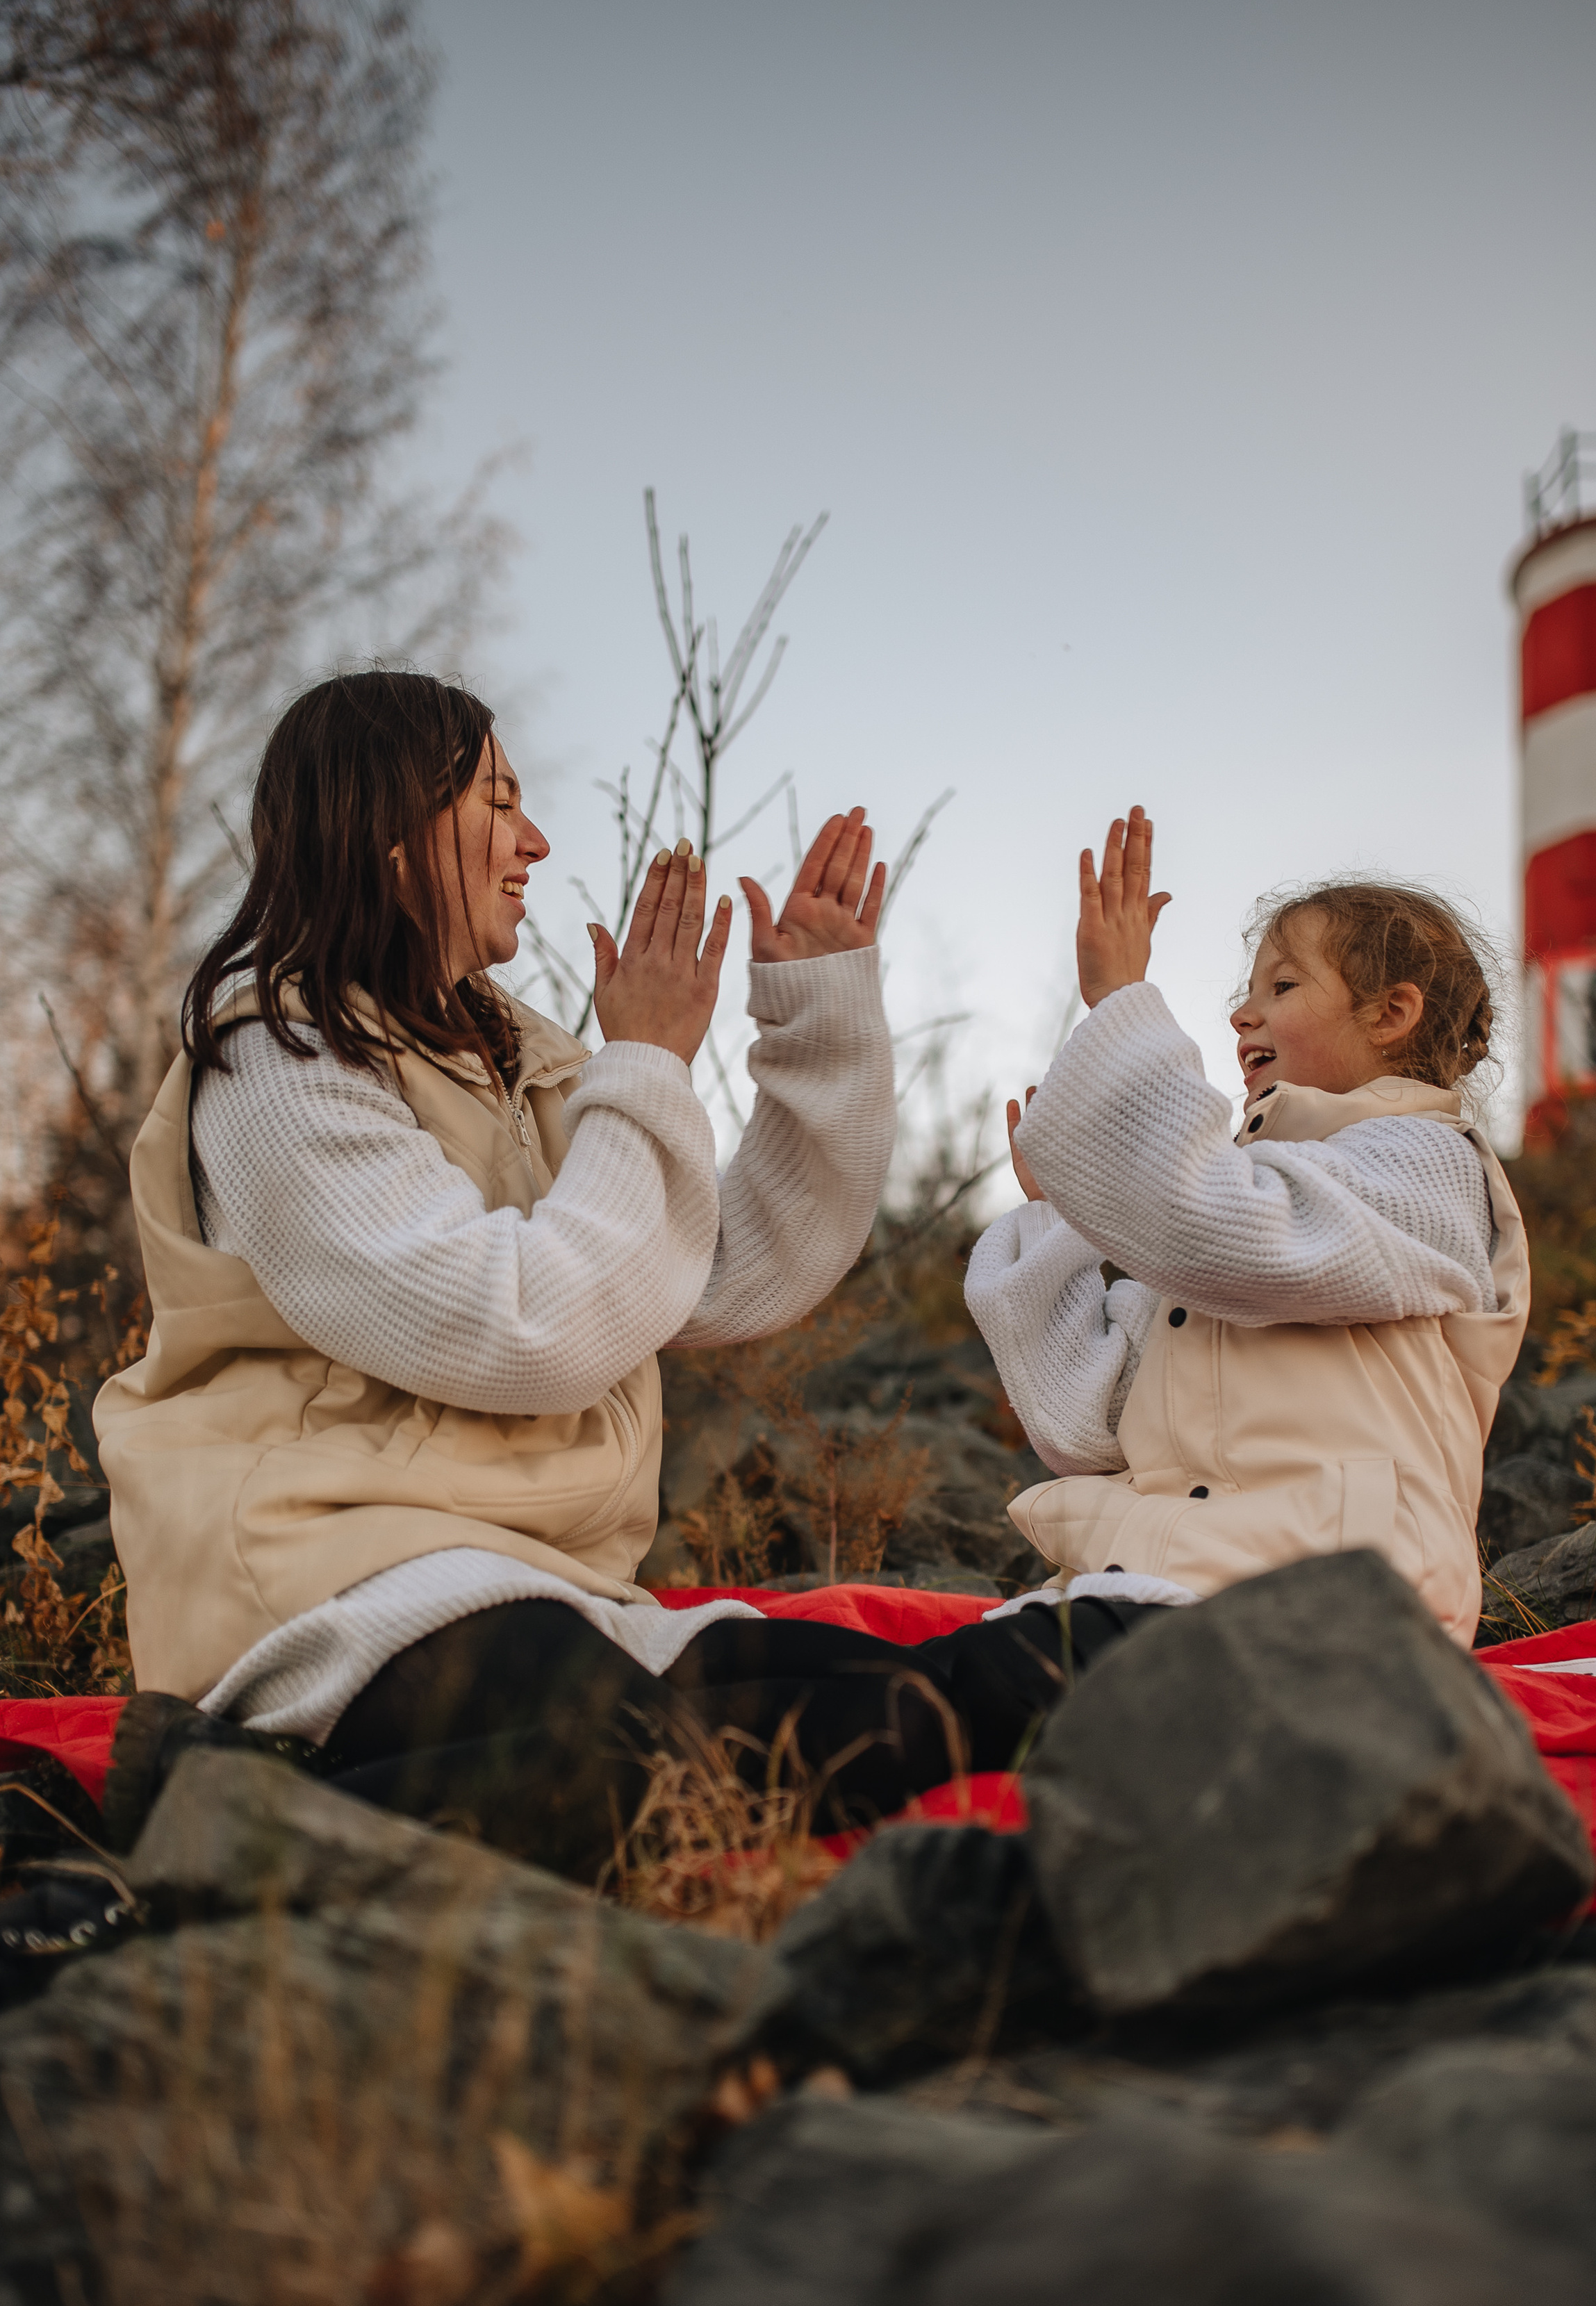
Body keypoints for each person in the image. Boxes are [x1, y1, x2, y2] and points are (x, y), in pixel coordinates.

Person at [96, 670, 1124, 1872]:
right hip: (338, 1601)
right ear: (388, 828)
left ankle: (1148, 1645)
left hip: (533, 1593)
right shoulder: (277, 1054)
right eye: (497, 802)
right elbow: (524, 1324)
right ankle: (255, 1814)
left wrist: (818, 1019)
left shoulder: (511, 1056)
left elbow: (716, 1268)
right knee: (815, 1736)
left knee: (889, 1679)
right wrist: (643, 1059)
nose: (534, 841)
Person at [964, 806, 1529, 1648]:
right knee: (843, 1679)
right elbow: (1080, 1427)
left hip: (1341, 1599)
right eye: (1244, 992)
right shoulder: (1234, 1215)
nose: (1241, 1014)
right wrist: (1059, 1220)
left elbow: (1228, 1231)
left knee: (917, 1702)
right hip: (1174, 1588)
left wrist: (1122, 1005)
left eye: (1282, 986)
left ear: (1390, 1014)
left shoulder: (1430, 1167)